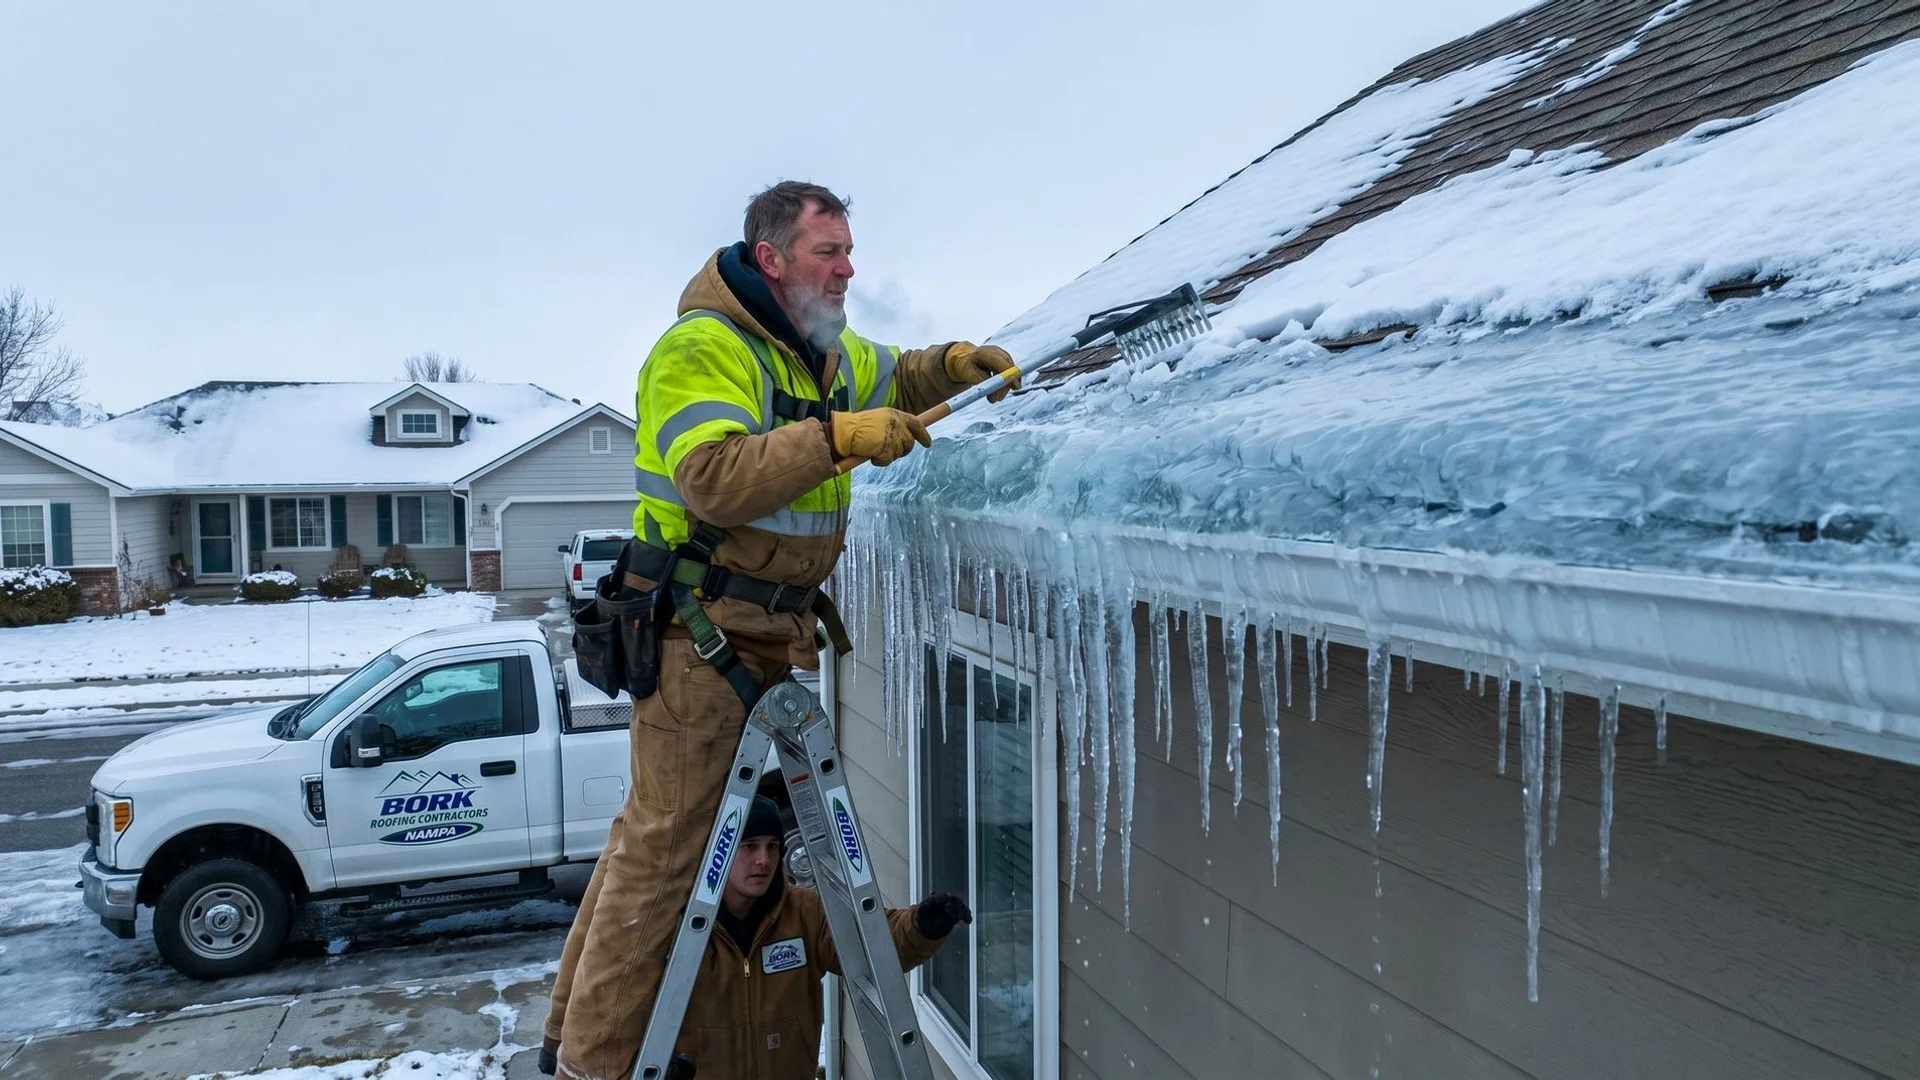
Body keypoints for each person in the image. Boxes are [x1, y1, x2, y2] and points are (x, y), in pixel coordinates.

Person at [545, 181, 1014, 1080]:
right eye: (827, 252)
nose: (847, 268)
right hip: (700, 639)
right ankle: (591, 1069)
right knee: (663, 865)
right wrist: (838, 440)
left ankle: (561, 1036)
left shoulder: (813, 350)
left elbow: (894, 374)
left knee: (642, 842)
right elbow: (713, 477)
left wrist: (951, 362)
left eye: (847, 250)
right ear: (771, 259)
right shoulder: (704, 349)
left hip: (760, 631)